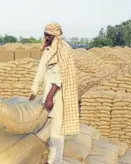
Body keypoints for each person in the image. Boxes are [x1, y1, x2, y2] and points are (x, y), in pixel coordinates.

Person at [29, 22, 80, 164]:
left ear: (56, 35)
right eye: (45, 34)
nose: (46, 38)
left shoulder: (64, 50)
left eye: (49, 35)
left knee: (57, 131)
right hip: (47, 95)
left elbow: (60, 77)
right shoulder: (48, 50)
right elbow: (40, 70)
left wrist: (50, 98)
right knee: (47, 129)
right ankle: (48, 157)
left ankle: (54, 161)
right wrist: (34, 91)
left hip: (57, 97)